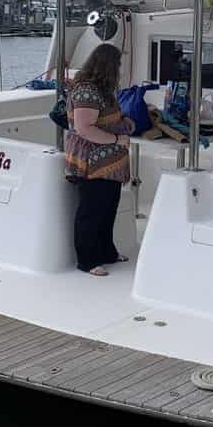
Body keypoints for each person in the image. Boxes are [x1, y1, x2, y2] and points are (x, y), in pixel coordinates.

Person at [64, 44, 134, 276]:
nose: (119, 70)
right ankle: (87, 260)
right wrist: (116, 139)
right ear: (109, 66)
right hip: (92, 164)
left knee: (107, 209)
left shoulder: (102, 89)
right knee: (91, 212)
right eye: (117, 65)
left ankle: (106, 252)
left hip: (109, 166)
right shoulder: (86, 91)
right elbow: (84, 128)